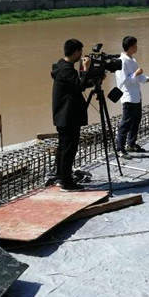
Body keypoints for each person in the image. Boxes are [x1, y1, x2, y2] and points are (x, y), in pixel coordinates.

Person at [51, 38, 93, 192]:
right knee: (68, 150)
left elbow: (75, 85)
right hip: (68, 117)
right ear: (76, 52)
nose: (81, 55)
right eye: (80, 52)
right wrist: (86, 68)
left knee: (63, 148)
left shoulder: (61, 67)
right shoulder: (66, 70)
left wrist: (92, 80)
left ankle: (61, 176)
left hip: (64, 116)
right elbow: (80, 86)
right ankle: (66, 183)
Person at [115, 36, 149, 159]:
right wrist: (136, 73)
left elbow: (140, 78)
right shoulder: (121, 62)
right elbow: (124, 82)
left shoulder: (132, 60)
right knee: (126, 123)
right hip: (128, 97)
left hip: (136, 96)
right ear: (130, 47)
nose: (137, 47)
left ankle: (131, 144)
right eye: (135, 45)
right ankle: (120, 149)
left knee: (136, 121)